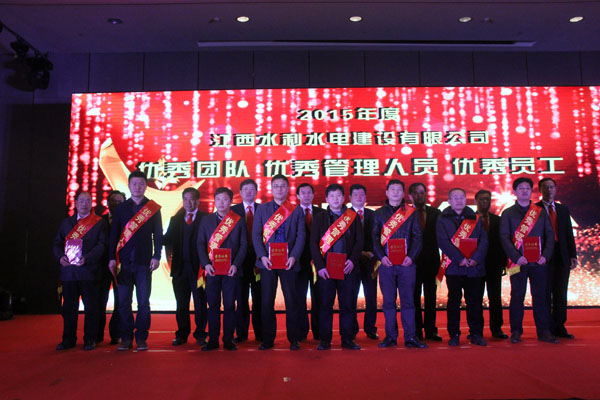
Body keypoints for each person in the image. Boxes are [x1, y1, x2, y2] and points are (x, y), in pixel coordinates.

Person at [109, 170, 163, 351]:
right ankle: (126, 337)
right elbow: (114, 235)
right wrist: (111, 258)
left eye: (141, 184)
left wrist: (157, 256)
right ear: (129, 186)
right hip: (123, 263)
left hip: (144, 262)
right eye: (134, 184)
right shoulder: (121, 208)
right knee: (123, 303)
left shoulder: (153, 208)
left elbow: (158, 234)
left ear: (146, 186)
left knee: (143, 303)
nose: (138, 187)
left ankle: (141, 338)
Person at [500, 177, 557, 344]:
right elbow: (504, 237)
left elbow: (549, 235)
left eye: (527, 188)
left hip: (539, 262)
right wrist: (517, 257)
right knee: (517, 296)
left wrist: (545, 256)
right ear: (515, 192)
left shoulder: (540, 212)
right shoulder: (508, 213)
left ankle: (544, 331)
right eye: (521, 188)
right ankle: (516, 331)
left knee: (541, 296)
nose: (524, 191)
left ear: (531, 191)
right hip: (517, 262)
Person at [252, 174, 306, 350]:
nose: (279, 189)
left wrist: (294, 256)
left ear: (288, 188)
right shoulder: (262, 209)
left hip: (289, 262)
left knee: (292, 301)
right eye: (276, 186)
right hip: (267, 262)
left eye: (283, 186)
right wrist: (262, 256)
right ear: (271, 188)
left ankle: (294, 338)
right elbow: (256, 235)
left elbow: (301, 236)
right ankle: (268, 339)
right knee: (267, 301)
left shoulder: (296, 210)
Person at [372, 179, 427, 349]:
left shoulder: (412, 212)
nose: (395, 192)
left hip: (406, 264)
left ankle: (410, 336)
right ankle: (390, 336)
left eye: (399, 190)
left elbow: (418, 237)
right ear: (387, 193)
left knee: (408, 302)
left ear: (403, 193)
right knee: (388, 302)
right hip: (387, 264)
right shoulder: (379, 214)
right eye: (392, 189)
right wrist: (382, 257)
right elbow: (374, 238)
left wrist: (411, 257)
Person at [311, 184, 363, 350]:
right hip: (326, 269)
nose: (335, 199)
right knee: (325, 305)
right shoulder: (319, 217)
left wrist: (352, 261)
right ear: (326, 199)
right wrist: (320, 267)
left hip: (347, 268)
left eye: (338, 196)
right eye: (332, 196)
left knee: (348, 304)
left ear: (344, 198)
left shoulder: (352, 216)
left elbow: (359, 241)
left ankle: (347, 339)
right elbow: (313, 243)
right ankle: (325, 340)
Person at [53, 191, 106, 351]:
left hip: (89, 271)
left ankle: (90, 339)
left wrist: (87, 258)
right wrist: (60, 257)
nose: (84, 204)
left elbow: (102, 245)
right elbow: (57, 243)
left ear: (92, 203)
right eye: (81, 201)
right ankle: (68, 339)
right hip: (69, 272)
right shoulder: (66, 223)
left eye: (88, 201)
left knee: (91, 308)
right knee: (69, 308)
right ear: (75, 203)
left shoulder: (99, 223)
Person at [437, 188, 488, 346]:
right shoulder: (442, 219)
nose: (459, 200)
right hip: (454, 267)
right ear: (449, 201)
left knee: (475, 301)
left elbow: (484, 241)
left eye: (462, 197)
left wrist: (475, 258)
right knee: (454, 301)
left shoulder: (475, 218)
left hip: (474, 267)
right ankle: (454, 334)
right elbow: (443, 242)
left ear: (466, 200)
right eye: (455, 197)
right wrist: (459, 259)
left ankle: (476, 333)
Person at [197, 187, 247, 351]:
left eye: (225, 199)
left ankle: (228, 340)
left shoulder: (238, 220)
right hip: (212, 270)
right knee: (213, 305)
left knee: (230, 305)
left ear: (231, 201)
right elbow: (200, 244)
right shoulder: (206, 221)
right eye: (218, 199)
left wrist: (235, 265)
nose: (221, 202)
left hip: (231, 270)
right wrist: (206, 264)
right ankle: (213, 340)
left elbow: (243, 245)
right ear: (214, 201)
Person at [164, 187, 207, 346]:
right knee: (181, 304)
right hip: (180, 269)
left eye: (192, 199)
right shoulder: (175, 219)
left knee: (200, 304)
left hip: (199, 270)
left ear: (198, 201)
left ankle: (201, 334)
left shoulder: (206, 219)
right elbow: (166, 239)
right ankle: (182, 334)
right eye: (186, 199)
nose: (188, 202)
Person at [536, 178, 578, 339]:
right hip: (542, 256)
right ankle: (546, 327)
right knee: (545, 292)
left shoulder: (563, 209)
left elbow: (568, 233)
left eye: (551, 187)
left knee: (560, 292)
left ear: (555, 189)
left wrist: (572, 255)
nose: (549, 190)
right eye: (545, 187)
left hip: (562, 256)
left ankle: (560, 325)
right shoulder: (534, 209)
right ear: (540, 190)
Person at [408, 182, 442, 341]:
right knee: (413, 297)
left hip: (431, 261)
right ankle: (416, 330)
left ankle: (430, 330)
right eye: (415, 193)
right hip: (411, 262)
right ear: (410, 196)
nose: (419, 196)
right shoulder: (405, 214)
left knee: (431, 297)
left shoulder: (436, 213)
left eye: (422, 192)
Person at [231, 178, 262, 343]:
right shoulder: (232, 211)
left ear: (256, 192)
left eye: (252, 189)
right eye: (246, 189)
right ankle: (241, 333)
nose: (249, 192)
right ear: (240, 192)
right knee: (241, 298)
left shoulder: (263, 209)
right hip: (239, 262)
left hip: (260, 261)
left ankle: (260, 333)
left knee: (260, 298)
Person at [475, 189, 509, 339]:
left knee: (495, 298)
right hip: (475, 265)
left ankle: (496, 329)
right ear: (476, 201)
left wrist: (503, 263)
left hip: (494, 264)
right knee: (475, 298)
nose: (484, 202)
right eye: (481, 199)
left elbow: (503, 243)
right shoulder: (469, 221)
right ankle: (476, 329)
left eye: (487, 200)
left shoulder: (498, 220)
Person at [349, 184, 379, 340]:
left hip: (371, 261)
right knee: (350, 297)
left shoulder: (373, 215)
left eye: (362, 194)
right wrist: (358, 253)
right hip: (351, 262)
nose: (359, 197)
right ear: (350, 198)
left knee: (371, 296)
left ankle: (370, 328)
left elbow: (379, 236)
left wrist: (373, 253)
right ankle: (352, 329)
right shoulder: (344, 215)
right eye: (356, 195)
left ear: (366, 197)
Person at [296, 182, 324, 341]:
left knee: (318, 297)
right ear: (298, 196)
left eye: (309, 192)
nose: (306, 195)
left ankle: (318, 331)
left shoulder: (322, 213)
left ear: (313, 195)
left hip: (319, 262)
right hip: (298, 262)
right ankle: (301, 332)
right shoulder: (291, 213)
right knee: (299, 298)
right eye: (303, 193)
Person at [97, 190, 125, 345]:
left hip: (121, 266)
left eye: (120, 202)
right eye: (113, 201)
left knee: (120, 302)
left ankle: (116, 334)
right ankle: (97, 334)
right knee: (99, 301)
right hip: (101, 267)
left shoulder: (128, 222)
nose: (117, 204)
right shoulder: (98, 221)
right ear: (107, 203)